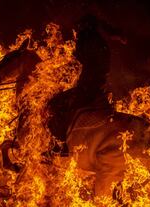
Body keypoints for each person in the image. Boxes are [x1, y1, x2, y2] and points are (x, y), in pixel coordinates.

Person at [47, 14, 126, 155]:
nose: (77, 29)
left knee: (54, 104)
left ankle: (60, 145)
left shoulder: (87, 40)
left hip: (88, 86)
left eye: (79, 26)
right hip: (94, 84)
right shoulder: (98, 41)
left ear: (85, 26)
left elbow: (77, 64)